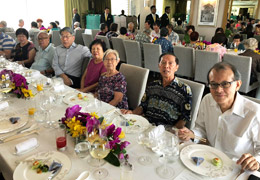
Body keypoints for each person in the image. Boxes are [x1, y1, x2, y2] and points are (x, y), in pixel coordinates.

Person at [178, 62, 260, 172]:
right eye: (214, 84)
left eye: (225, 84)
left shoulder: (254, 113)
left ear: (238, 85)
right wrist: (192, 134)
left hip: (237, 169)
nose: (219, 90)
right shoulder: (207, 100)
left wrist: (256, 161)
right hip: (207, 161)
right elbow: (201, 129)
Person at [121, 53, 192, 128]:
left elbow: (184, 118)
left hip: (166, 130)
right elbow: (143, 106)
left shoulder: (184, 89)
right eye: (163, 63)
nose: (166, 66)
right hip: (145, 125)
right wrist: (132, 113)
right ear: (159, 66)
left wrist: (173, 131)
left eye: (170, 63)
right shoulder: (152, 85)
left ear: (176, 67)